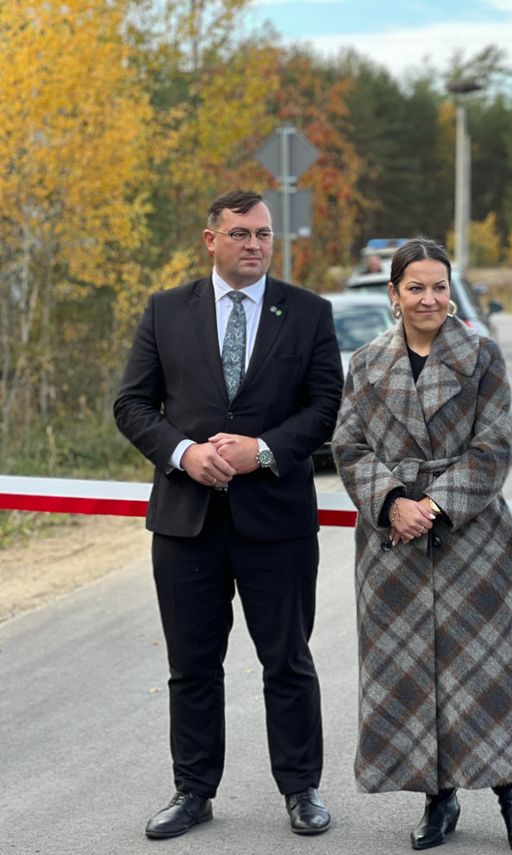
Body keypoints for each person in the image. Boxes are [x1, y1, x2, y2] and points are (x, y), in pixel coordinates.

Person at [114, 189, 343, 839]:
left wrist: (263, 450)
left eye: (264, 234)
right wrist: (183, 453)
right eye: (241, 233)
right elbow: (131, 405)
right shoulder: (165, 312)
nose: (255, 245)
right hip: (187, 522)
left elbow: (326, 408)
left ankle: (301, 789)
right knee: (191, 666)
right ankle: (193, 791)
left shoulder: (307, 313)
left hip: (278, 522)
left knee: (288, 660)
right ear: (210, 239)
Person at [332, 238, 512, 853]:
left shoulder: (482, 356)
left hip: (471, 539)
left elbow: (495, 447)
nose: (430, 298)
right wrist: (393, 501)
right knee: (409, 673)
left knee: (487, 671)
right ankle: (436, 797)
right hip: (390, 543)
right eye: (416, 287)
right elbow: (348, 447)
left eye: (439, 286)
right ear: (394, 295)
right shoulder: (368, 362)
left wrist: (434, 505)